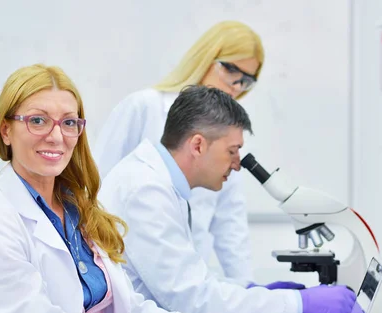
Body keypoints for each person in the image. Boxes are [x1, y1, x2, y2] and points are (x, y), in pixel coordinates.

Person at [0, 64, 290, 313]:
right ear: (5, 130)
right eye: (37, 120)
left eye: (69, 122)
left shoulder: (77, 212)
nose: (56, 136)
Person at [99, 85, 356, 313]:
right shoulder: (146, 192)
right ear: (198, 145)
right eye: (232, 151)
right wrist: (298, 303)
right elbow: (195, 300)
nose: (236, 164)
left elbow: (193, 282)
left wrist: (249, 292)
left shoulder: (159, 183)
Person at [93, 20, 303, 290]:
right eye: (230, 70)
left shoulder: (228, 135)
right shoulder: (145, 107)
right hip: (128, 273)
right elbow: (95, 187)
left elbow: (230, 222)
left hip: (189, 280)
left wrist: (248, 291)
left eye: (246, 80)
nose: (236, 86)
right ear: (207, 57)